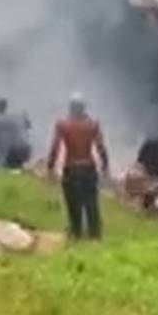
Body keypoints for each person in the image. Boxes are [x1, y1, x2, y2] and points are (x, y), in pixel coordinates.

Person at [47, 94, 109, 240]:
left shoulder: (62, 124)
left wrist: (50, 167)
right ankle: (95, 235)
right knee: (91, 203)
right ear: (84, 108)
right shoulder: (92, 124)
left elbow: (55, 147)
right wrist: (105, 165)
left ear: (71, 108)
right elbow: (101, 147)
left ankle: (76, 233)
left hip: (72, 168)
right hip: (89, 167)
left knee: (73, 204)